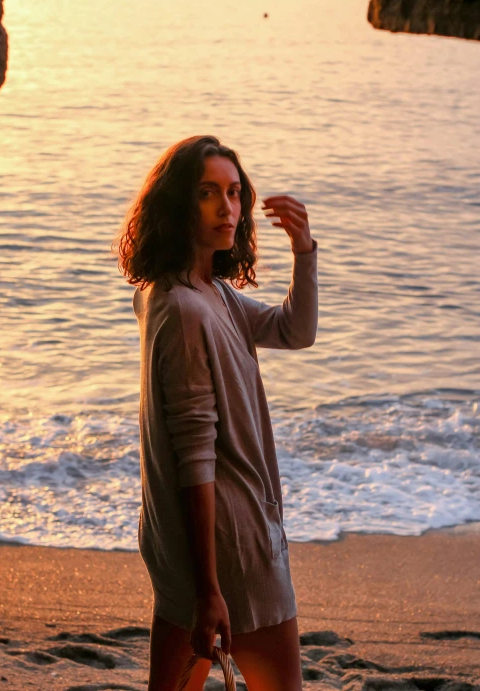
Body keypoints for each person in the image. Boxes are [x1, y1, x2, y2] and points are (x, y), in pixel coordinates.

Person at [114, 135, 318, 691]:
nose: (227, 206)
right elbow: (195, 454)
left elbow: (294, 331)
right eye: (208, 192)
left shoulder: (201, 294)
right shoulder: (187, 309)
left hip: (180, 544)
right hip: (235, 550)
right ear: (179, 204)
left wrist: (304, 251)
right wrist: (211, 590)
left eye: (234, 192)